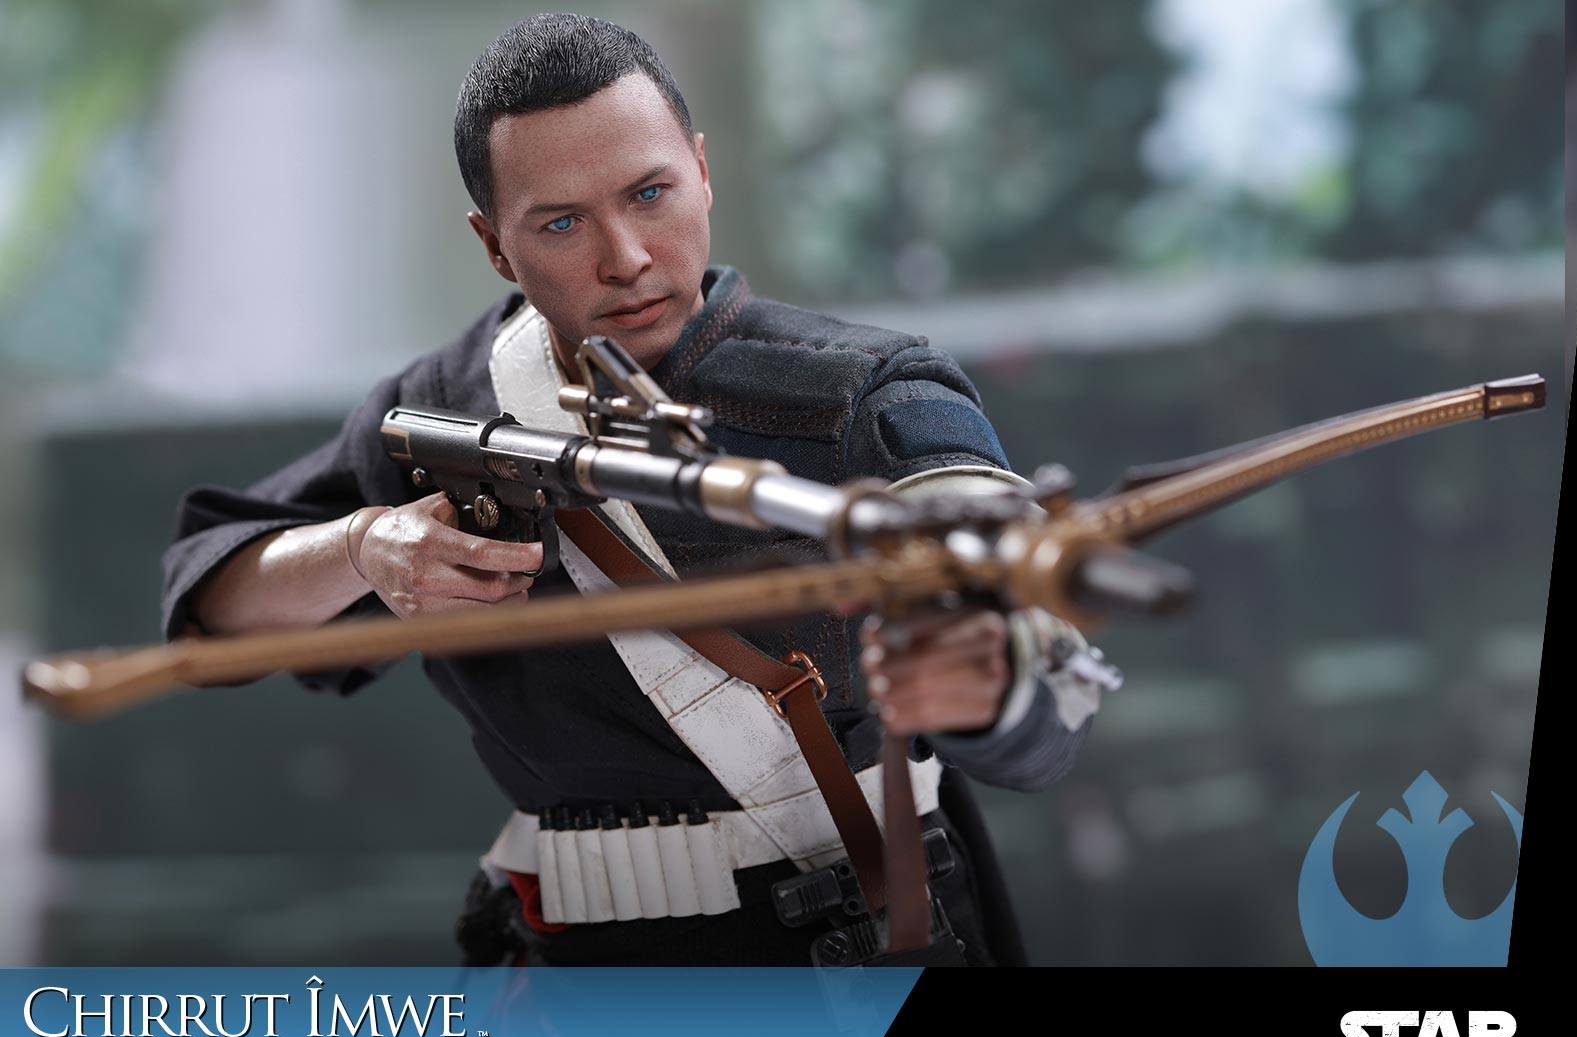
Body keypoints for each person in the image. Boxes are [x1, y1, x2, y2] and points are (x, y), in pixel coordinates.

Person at [159, 13, 1103, 967]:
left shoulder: (869, 392)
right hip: (577, 970)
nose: (626, 258)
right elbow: (216, 606)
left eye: (650, 193)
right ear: (496, 246)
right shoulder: (443, 405)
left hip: (853, 941)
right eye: (561, 223)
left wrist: (990, 687)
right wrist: (362, 549)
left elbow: (1047, 696)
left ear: (702, 170)